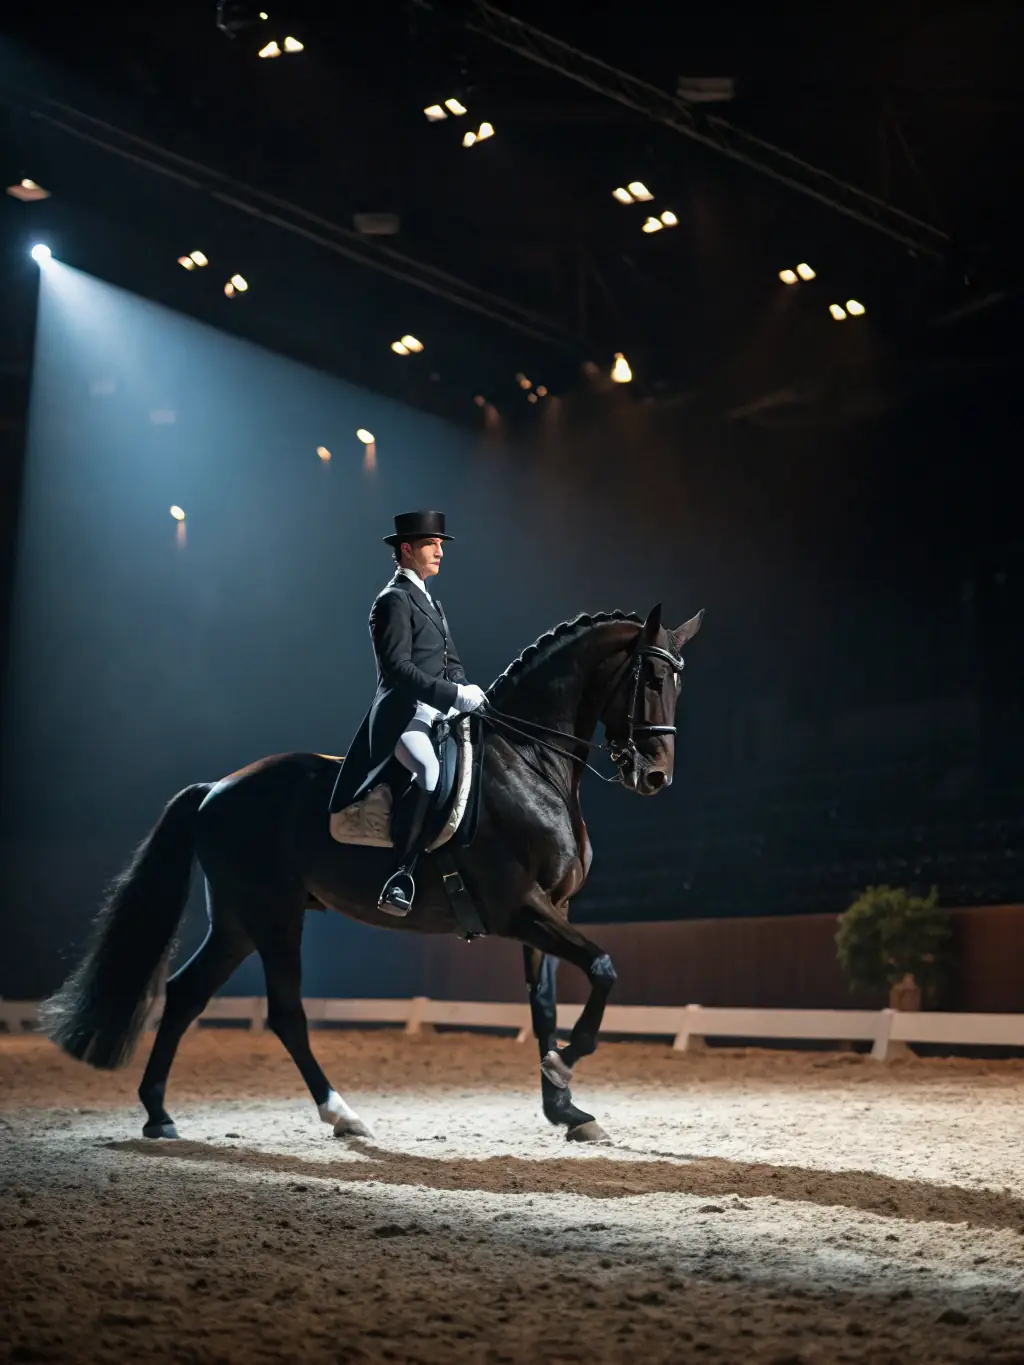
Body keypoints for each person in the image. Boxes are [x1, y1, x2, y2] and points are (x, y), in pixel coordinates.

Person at [328, 510, 487, 915]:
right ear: (406, 549)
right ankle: (401, 874)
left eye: (440, 545)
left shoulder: (431, 601)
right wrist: (452, 694)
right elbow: (398, 668)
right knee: (429, 771)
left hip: (437, 713)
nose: (440, 552)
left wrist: (464, 687)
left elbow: (449, 659)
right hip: (404, 715)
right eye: (432, 545)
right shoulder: (393, 601)